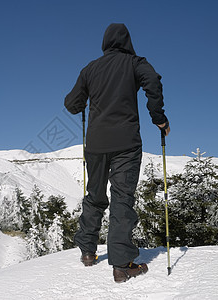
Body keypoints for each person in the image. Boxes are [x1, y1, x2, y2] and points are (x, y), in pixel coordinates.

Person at [64, 23, 170, 283]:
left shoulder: (90, 68)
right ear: (127, 41)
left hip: (96, 144)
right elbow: (153, 83)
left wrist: (84, 102)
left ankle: (88, 251)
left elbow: (71, 104)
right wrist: (159, 118)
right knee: (122, 197)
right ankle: (122, 265)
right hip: (126, 142)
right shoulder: (135, 63)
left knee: (95, 195)